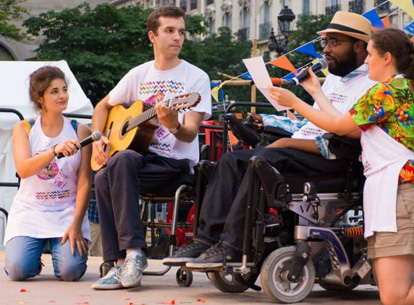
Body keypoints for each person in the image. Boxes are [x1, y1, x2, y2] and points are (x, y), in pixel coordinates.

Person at [163, 11, 377, 268]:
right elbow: (310, 124)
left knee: (261, 159)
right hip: (306, 150)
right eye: (325, 42)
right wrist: (268, 121)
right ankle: (207, 239)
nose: (326, 50)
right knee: (230, 160)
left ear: (358, 46)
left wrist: (285, 143)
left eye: (334, 42)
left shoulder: (370, 84)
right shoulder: (332, 78)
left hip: (337, 159)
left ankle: (232, 246)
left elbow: (342, 136)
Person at [270, 28, 414, 305]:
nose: (366, 61)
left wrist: (296, 102)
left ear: (386, 57)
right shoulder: (398, 89)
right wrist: (316, 92)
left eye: (369, 54)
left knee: (396, 296)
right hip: (398, 194)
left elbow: (337, 125)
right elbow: (347, 125)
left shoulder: (385, 92)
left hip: (400, 194)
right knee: (394, 293)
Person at [90, 6, 211, 290]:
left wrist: (173, 124)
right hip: (139, 163)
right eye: (169, 31)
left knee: (119, 163)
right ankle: (119, 264)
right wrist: (99, 139)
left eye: (181, 31)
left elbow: (191, 132)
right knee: (102, 175)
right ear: (152, 36)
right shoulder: (138, 74)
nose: (177, 37)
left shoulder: (196, 78)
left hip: (175, 165)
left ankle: (132, 255)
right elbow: (102, 106)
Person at [4, 66, 92, 281]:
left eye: (64, 89)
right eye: (54, 91)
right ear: (39, 97)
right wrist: (54, 150)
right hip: (30, 211)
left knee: (70, 272)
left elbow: (84, 181)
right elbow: (23, 170)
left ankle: (60, 252)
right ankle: (31, 256)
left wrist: (77, 224)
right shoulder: (23, 128)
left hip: (66, 212)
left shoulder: (81, 131)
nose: (62, 96)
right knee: (18, 271)